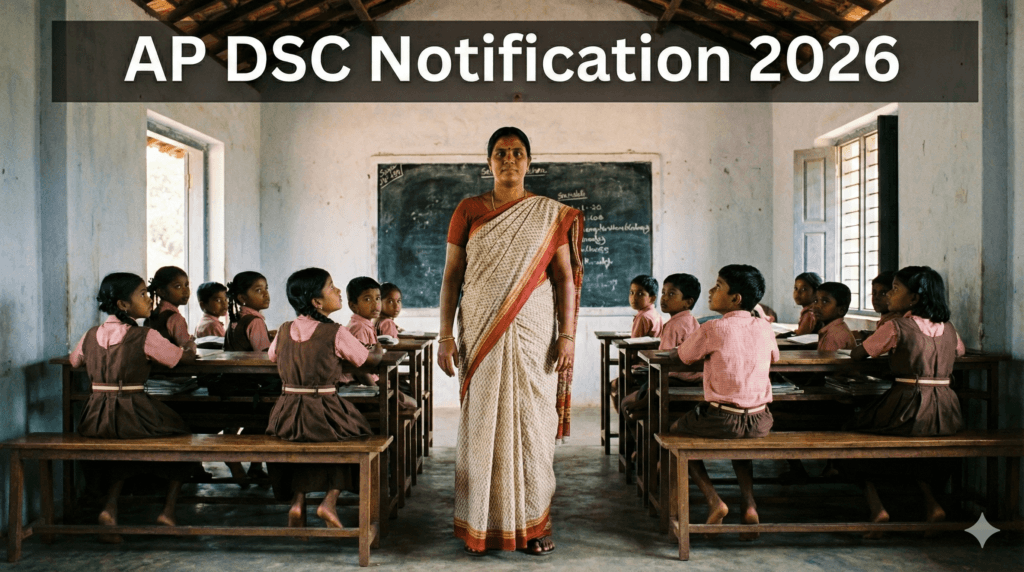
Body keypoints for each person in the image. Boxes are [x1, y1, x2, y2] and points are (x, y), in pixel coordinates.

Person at [437, 127, 583, 556]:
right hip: (481, 328)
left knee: (533, 427)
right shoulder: (468, 209)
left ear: (529, 162)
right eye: (500, 153)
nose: (509, 160)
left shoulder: (548, 213)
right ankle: (481, 525)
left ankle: (534, 526)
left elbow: (563, 278)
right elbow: (451, 276)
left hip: (535, 332)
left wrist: (567, 335)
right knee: (483, 425)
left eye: (517, 153)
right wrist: (444, 335)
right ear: (489, 163)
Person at [71, 272, 198, 542]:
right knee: (185, 437)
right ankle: (168, 511)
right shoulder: (144, 335)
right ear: (123, 305)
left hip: (94, 418)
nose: (149, 299)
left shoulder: (91, 334)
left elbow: (74, 361)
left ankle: (110, 508)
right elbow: (178, 358)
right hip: (132, 412)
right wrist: (189, 348)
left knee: (124, 450)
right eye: (142, 294)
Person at [846, 266, 965, 537]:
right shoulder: (948, 327)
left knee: (849, 436)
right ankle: (932, 505)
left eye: (895, 289)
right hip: (947, 412)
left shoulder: (897, 326)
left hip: (907, 406)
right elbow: (960, 350)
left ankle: (878, 509)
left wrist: (864, 344)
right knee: (911, 454)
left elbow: (859, 354)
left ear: (914, 299)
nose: (889, 294)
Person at [266, 268, 384, 528]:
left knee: (303, 442)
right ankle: (329, 502)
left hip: (285, 415)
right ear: (317, 302)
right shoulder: (335, 332)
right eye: (331, 287)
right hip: (324, 408)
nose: (338, 291)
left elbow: (272, 356)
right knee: (358, 435)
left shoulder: (284, 329)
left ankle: (298, 502)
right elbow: (366, 360)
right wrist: (378, 349)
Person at [670, 265, 778, 541]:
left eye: (718, 286)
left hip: (722, 419)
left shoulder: (713, 327)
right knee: (740, 445)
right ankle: (749, 504)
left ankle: (714, 500)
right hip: (760, 421)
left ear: (735, 299)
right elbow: (775, 357)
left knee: (675, 435)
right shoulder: (765, 327)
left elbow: (683, 356)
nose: (711, 290)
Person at [623, 273, 701, 419]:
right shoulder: (692, 321)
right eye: (664, 293)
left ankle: (641, 429)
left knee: (626, 403)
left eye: (671, 294)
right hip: (694, 380)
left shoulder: (673, 325)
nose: (664, 298)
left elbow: (662, 362)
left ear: (688, 302)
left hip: (675, 381)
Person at [225, 271, 272, 352]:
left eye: (266, 288)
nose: (266, 294)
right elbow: (264, 354)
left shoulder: (237, 318)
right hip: (253, 361)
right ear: (242, 298)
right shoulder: (256, 322)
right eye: (258, 290)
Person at [144, 266, 192, 346]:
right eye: (178, 286)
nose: (185, 291)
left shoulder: (152, 315)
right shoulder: (176, 319)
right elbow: (186, 347)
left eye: (186, 285)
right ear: (162, 292)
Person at [814, 282, 858, 351]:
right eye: (816, 301)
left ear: (841, 310)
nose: (817, 306)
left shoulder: (833, 336)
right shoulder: (835, 329)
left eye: (825, 301)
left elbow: (827, 358)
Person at [346, 276, 381, 346]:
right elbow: (363, 353)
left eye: (377, 298)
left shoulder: (362, 324)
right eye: (367, 299)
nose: (375, 304)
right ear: (353, 305)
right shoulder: (360, 328)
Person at [790, 271, 822, 336]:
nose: (798, 293)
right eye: (796, 288)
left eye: (804, 289)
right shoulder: (811, 310)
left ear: (816, 293)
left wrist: (794, 332)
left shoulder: (809, 313)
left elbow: (801, 334)